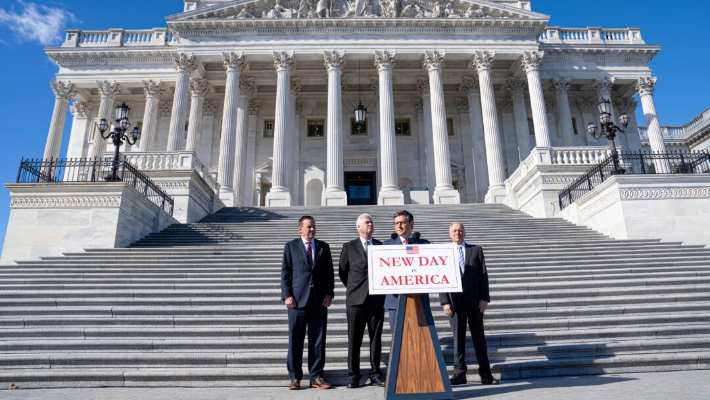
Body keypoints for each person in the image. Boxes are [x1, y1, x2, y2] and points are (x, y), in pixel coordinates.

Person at [439, 222, 499, 386]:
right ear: (450, 234)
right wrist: (445, 301)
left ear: (464, 233)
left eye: (460, 230)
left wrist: (484, 298)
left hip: (475, 303)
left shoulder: (476, 250)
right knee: (458, 341)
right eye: (454, 231)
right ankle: (459, 374)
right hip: (455, 304)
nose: (457, 233)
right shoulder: (444, 252)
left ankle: (486, 374)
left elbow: (483, 275)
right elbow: (441, 278)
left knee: (479, 339)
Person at [281, 216, 334, 390]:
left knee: (317, 341)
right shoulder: (290, 247)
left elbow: (329, 274)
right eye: (309, 227)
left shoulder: (323, 247)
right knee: (295, 340)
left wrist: (329, 294)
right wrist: (287, 295)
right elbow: (285, 273)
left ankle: (316, 377)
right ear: (300, 229)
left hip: (318, 301)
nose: (312, 230)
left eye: (313, 227)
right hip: (297, 301)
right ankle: (295, 378)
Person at [338, 213, 386, 389]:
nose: (370, 224)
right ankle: (354, 376)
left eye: (371, 222)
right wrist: (355, 288)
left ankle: (375, 374)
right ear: (358, 226)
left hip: (376, 300)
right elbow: (343, 272)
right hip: (356, 301)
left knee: (376, 339)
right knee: (354, 339)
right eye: (367, 222)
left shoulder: (381, 246)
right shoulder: (349, 247)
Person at [382, 210, 430, 331]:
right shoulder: (386, 245)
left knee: (419, 336)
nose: (399, 226)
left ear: (411, 224)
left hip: (418, 299)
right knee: (397, 336)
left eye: (402, 222)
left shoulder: (424, 244)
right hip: (395, 299)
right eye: (396, 223)